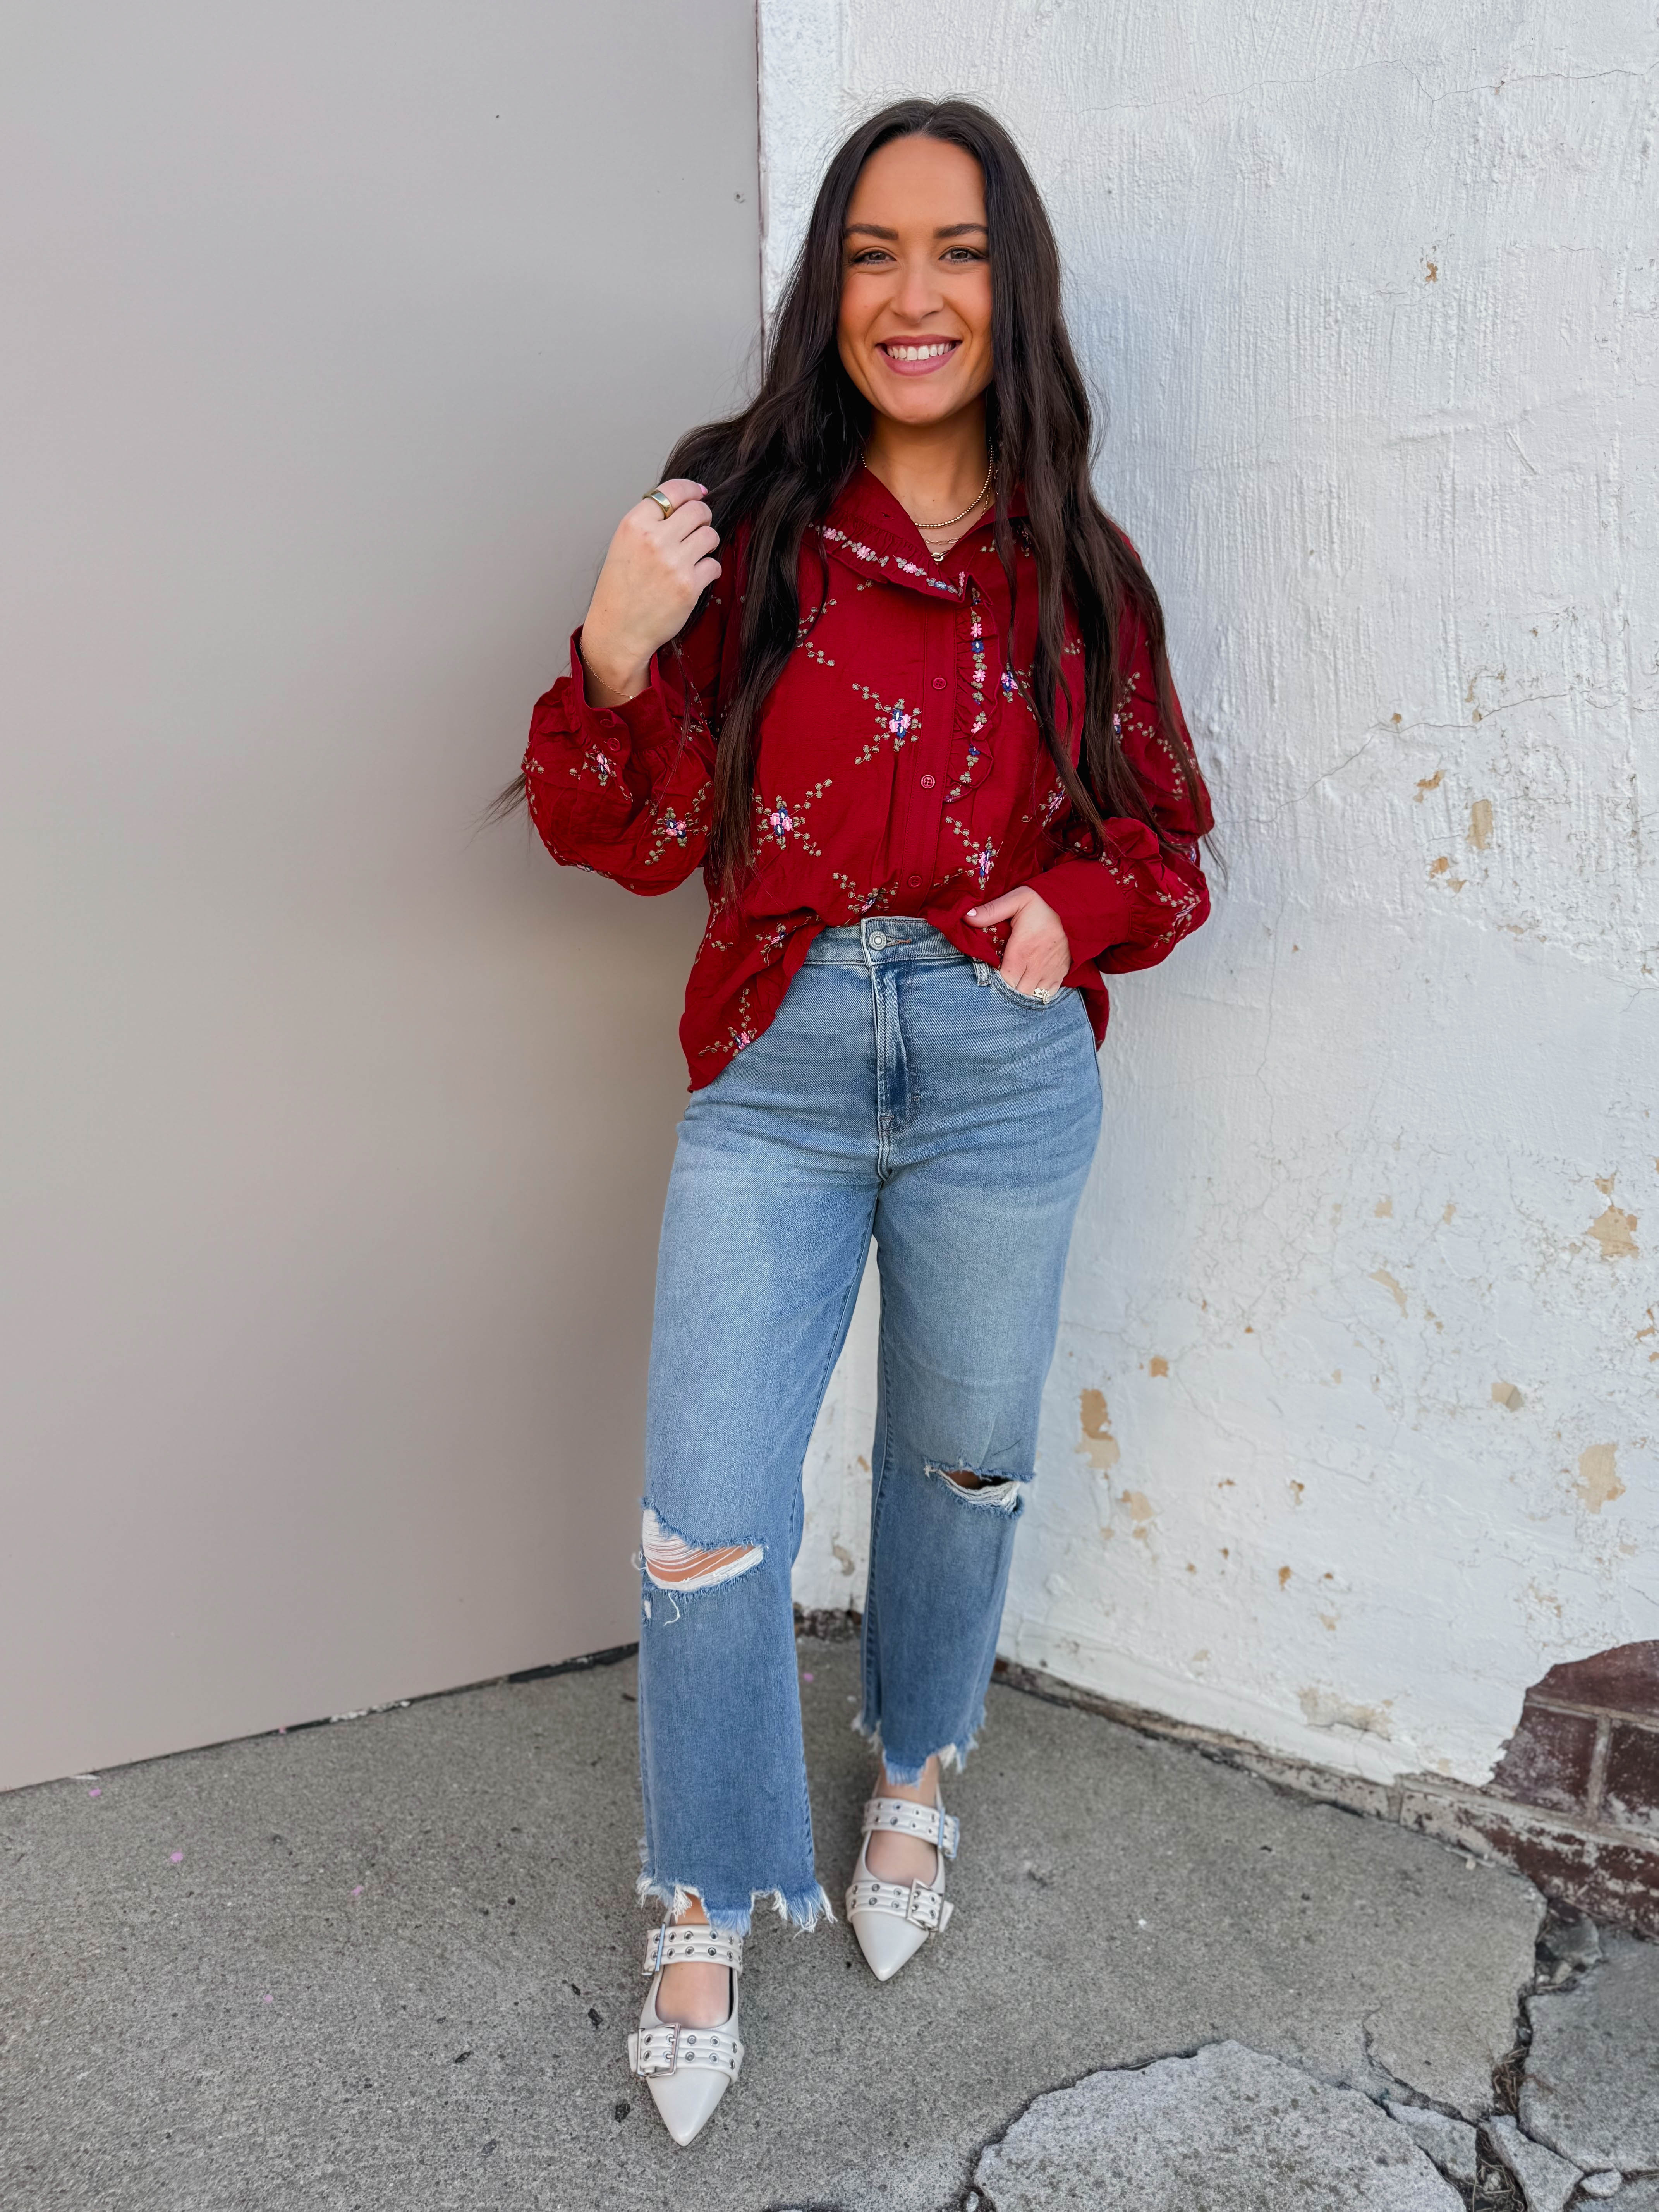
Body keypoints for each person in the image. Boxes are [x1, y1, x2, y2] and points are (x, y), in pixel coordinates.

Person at [511, 98, 1212, 2146]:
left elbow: (1169, 842)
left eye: (961, 250)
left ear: (1015, 288)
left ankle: (916, 1767)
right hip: (782, 1064)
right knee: (706, 1512)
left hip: (1004, 1070)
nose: (917, 294)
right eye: (878, 250)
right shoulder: (735, 523)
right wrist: (615, 639)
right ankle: (705, 1893)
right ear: (829, 285)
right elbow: (622, 833)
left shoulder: (1082, 567)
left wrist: (1065, 912)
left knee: (963, 1463)